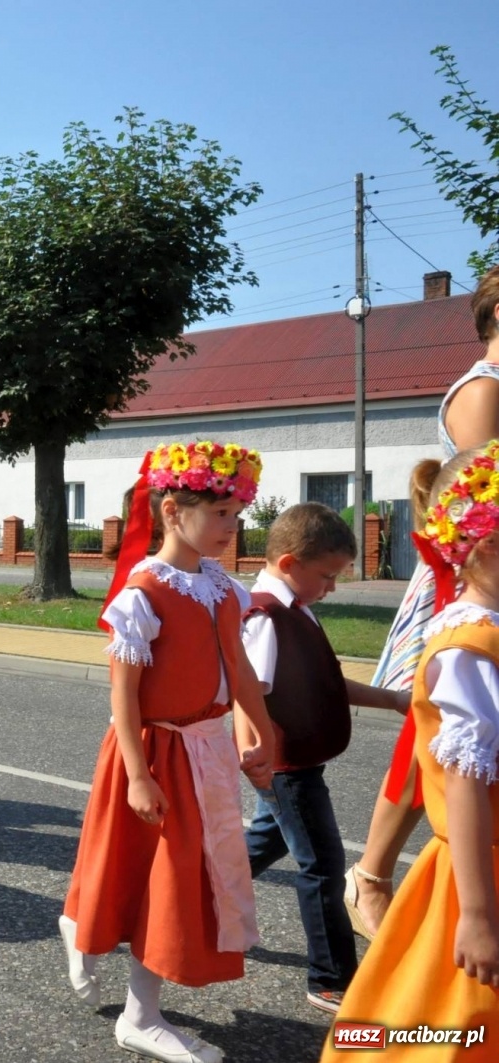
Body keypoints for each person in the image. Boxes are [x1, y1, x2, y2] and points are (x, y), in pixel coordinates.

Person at [61, 440, 276, 1063]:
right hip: (156, 755)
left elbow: (237, 668)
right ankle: (133, 1002)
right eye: (220, 516)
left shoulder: (223, 588)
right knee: (147, 877)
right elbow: (123, 698)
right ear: (172, 510)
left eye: (237, 517)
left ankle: (133, 1001)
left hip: (204, 752)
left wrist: (261, 730)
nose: (231, 530)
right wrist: (136, 775)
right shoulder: (143, 595)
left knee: (178, 882)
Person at [319, 445, 499, 1061]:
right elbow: (467, 784)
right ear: (484, 549)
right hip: (479, 877)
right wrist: (477, 914)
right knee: (450, 1024)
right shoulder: (467, 647)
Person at [352, 266, 499, 940]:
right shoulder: (484, 392)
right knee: (436, 730)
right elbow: (478, 503)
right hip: (469, 570)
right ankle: (374, 872)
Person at [240, 503, 409, 1015]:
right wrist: (257, 754)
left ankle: (182, 901)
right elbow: (246, 693)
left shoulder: (297, 608)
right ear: (290, 563)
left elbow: (329, 682)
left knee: (258, 846)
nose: (332, 587)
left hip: (297, 763)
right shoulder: (266, 615)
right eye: (328, 576)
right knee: (322, 866)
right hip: (286, 767)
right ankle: (331, 978)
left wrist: (395, 700)